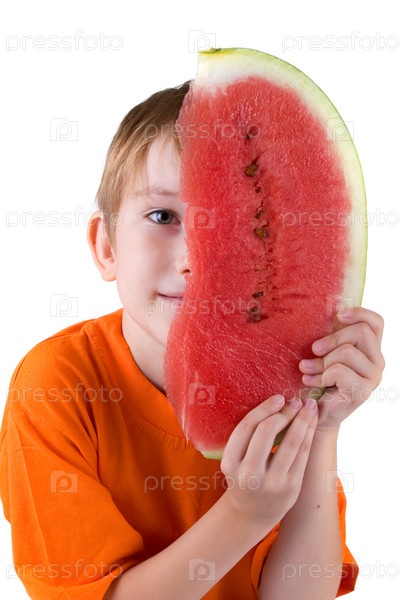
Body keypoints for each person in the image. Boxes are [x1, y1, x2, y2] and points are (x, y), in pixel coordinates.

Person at [0, 81, 384, 600]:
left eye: (242, 227)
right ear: (106, 247)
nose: (196, 257)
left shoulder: (281, 379)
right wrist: (245, 513)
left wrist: (324, 426)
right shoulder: (55, 386)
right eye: (163, 217)